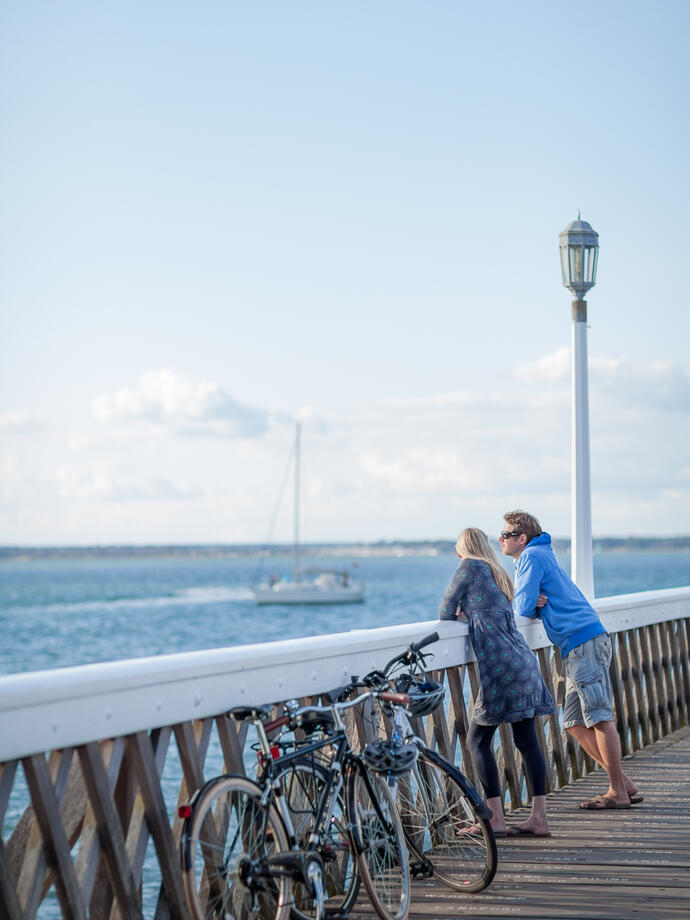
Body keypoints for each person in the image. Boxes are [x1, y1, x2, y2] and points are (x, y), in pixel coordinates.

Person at [500, 509, 641, 810]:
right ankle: (623, 783)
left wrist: (531, 601)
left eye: (507, 534)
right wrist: (533, 600)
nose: (501, 539)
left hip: (582, 642)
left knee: (600, 717)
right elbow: (529, 600)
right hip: (580, 643)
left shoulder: (531, 557)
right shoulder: (540, 554)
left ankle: (617, 791)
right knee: (574, 723)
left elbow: (522, 606)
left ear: (521, 538)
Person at [439, 527, 554, 837]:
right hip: (523, 662)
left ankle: (495, 820)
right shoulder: (497, 571)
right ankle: (539, 819)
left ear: (462, 549)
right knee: (527, 742)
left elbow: (444, 610)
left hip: (501, 668)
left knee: (477, 741)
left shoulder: (469, 567)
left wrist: (464, 614)